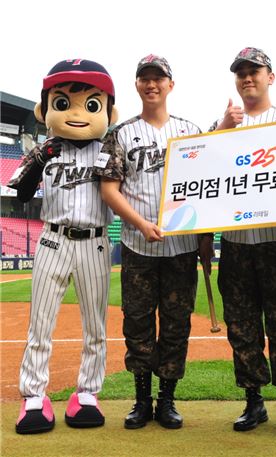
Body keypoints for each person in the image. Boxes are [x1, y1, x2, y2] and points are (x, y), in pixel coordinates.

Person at [93, 54, 213, 430]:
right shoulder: (120, 133)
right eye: (144, 78)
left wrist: (204, 233)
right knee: (138, 323)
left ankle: (168, 400)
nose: (151, 84)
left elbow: (207, 185)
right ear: (137, 85)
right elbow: (108, 189)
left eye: (158, 78)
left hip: (181, 248)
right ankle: (142, 400)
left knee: (176, 324)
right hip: (138, 245)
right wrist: (141, 224)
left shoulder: (190, 131)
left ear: (170, 85)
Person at [9, 59, 118, 434]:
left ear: (108, 111)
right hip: (52, 239)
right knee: (40, 324)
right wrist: (39, 160)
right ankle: (34, 396)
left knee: (95, 327)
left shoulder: (109, 150)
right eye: (62, 102)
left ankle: (87, 393)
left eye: (91, 104)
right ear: (45, 109)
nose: (75, 113)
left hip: (95, 243)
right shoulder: (46, 148)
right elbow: (22, 194)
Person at [209, 47, 276, 435]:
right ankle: (254, 402)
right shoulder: (221, 125)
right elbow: (199, 172)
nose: (247, 77)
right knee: (242, 327)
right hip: (237, 242)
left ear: (271, 77)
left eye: (255, 70)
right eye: (241, 73)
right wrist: (223, 129)